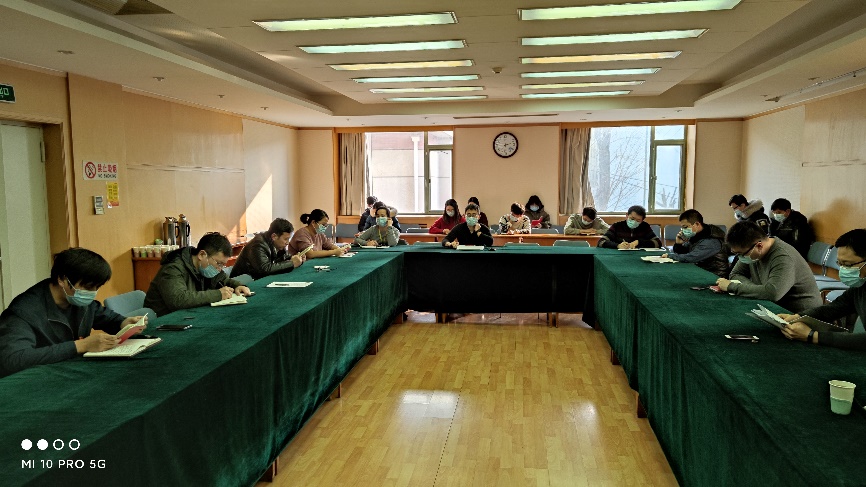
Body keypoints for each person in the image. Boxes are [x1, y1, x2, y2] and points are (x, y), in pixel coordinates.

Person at [0, 248, 148, 377]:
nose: (93, 293)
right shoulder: (22, 312)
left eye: (97, 287)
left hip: (69, 371)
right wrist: (80, 346)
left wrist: (123, 323)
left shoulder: (78, 301)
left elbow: (105, 317)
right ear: (62, 280)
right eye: (88, 287)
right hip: (34, 380)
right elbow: (13, 359)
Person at [779, 229, 866, 349]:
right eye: (840, 264)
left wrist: (812, 336)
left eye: (847, 265)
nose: (843, 270)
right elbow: (834, 308)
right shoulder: (860, 286)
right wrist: (798, 317)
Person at [716, 221, 821, 313]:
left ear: (759, 246)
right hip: (772, 306)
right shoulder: (751, 252)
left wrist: (732, 287)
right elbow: (736, 274)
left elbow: (773, 293)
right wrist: (759, 290)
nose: (740, 257)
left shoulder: (783, 257)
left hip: (799, 314)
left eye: (741, 254)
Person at [144, 232, 251, 316]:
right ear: (202, 255)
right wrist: (218, 294)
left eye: (223, 265)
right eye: (219, 264)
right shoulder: (173, 268)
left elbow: (223, 279)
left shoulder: (204, 266)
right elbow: (178, 300)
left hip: (188, 316)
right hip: (164, 322)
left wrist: (237, 285)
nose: (220, 269)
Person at [661, 209, 729, 277]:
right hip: (702, 271)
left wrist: (670, 256)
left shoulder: (711, 241)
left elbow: (691, 257)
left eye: (685, 227)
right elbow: (684, 253)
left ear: (697, 224)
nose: (683, 230)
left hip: (715, 275)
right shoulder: (697, 236)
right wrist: (679, 244)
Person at [230, 218, 304, 280]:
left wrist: (298, 258)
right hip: (243, 282)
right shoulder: (258, 244)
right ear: (274, 236)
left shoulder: (278, 244)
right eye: (286, 239)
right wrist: (291, 263)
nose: (287, 243)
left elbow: (285, 257)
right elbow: (265, 269)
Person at [597, 205, 662, 249]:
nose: (634, 222)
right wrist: (618, 245)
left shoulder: (645, 227)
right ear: (627, 215)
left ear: (642, 220)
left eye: (638, 220)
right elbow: (601, 242)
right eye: (632, 218)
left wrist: (638, 242)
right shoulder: (617, 226)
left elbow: (658, 243)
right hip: (619, 256)